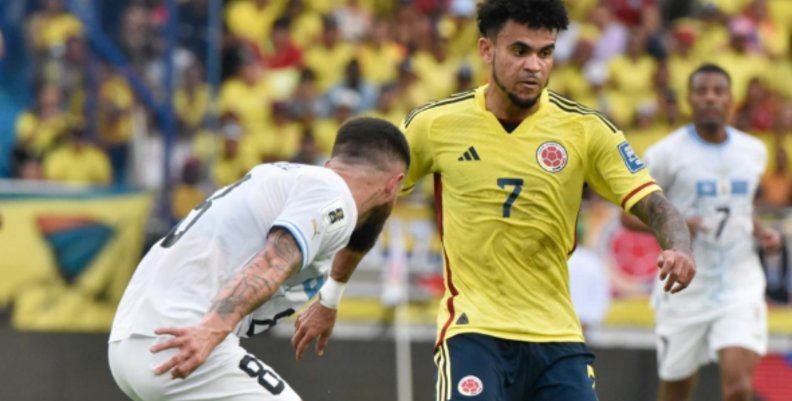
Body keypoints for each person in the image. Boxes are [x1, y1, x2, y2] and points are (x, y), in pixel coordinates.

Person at [293, 1, 692, 399]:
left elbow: (655, 204)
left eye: (545, 53)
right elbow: (375, 202)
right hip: (473, 331)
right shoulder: (436, 125)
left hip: (557, 336)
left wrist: (680, 248)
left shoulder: (586, 130)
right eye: (520, 51)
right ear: (487, 50)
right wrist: (330, 295)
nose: (534, 65)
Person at [107, 117, 410, 401]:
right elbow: (272, 261)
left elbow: (360, 233)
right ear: (393, 185)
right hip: (183, 339)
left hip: (130, 339)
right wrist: (211, 329)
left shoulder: (289, 179)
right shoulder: (331, 197)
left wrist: (329, 301)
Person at [620, 64, 781, 401]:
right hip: (683, 288)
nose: (710, 97)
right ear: (690, 99)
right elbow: (628, 216)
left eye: (718, 91)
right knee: (676, 390)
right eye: (702, 91)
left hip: (740, 282)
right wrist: (674, 224)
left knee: (739, 387)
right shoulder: (665, 153)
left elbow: (740, 206)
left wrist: (761, 230)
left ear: (730, 99)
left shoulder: (753, 151)